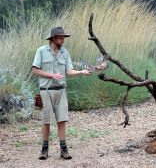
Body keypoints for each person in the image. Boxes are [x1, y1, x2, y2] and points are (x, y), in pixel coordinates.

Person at [32, 27, 105, 160]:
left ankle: (64, 150)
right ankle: (44, 150)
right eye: (60, 37)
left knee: (62, 120)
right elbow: (35, 70)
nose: (63, 40)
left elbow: (69, 71)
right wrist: (51, 75)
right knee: (46, 121)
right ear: (53, 38)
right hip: (46, 91)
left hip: (61, 90)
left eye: (63, 37)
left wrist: (81, 72)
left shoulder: (64, 52)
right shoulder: (41, 51)